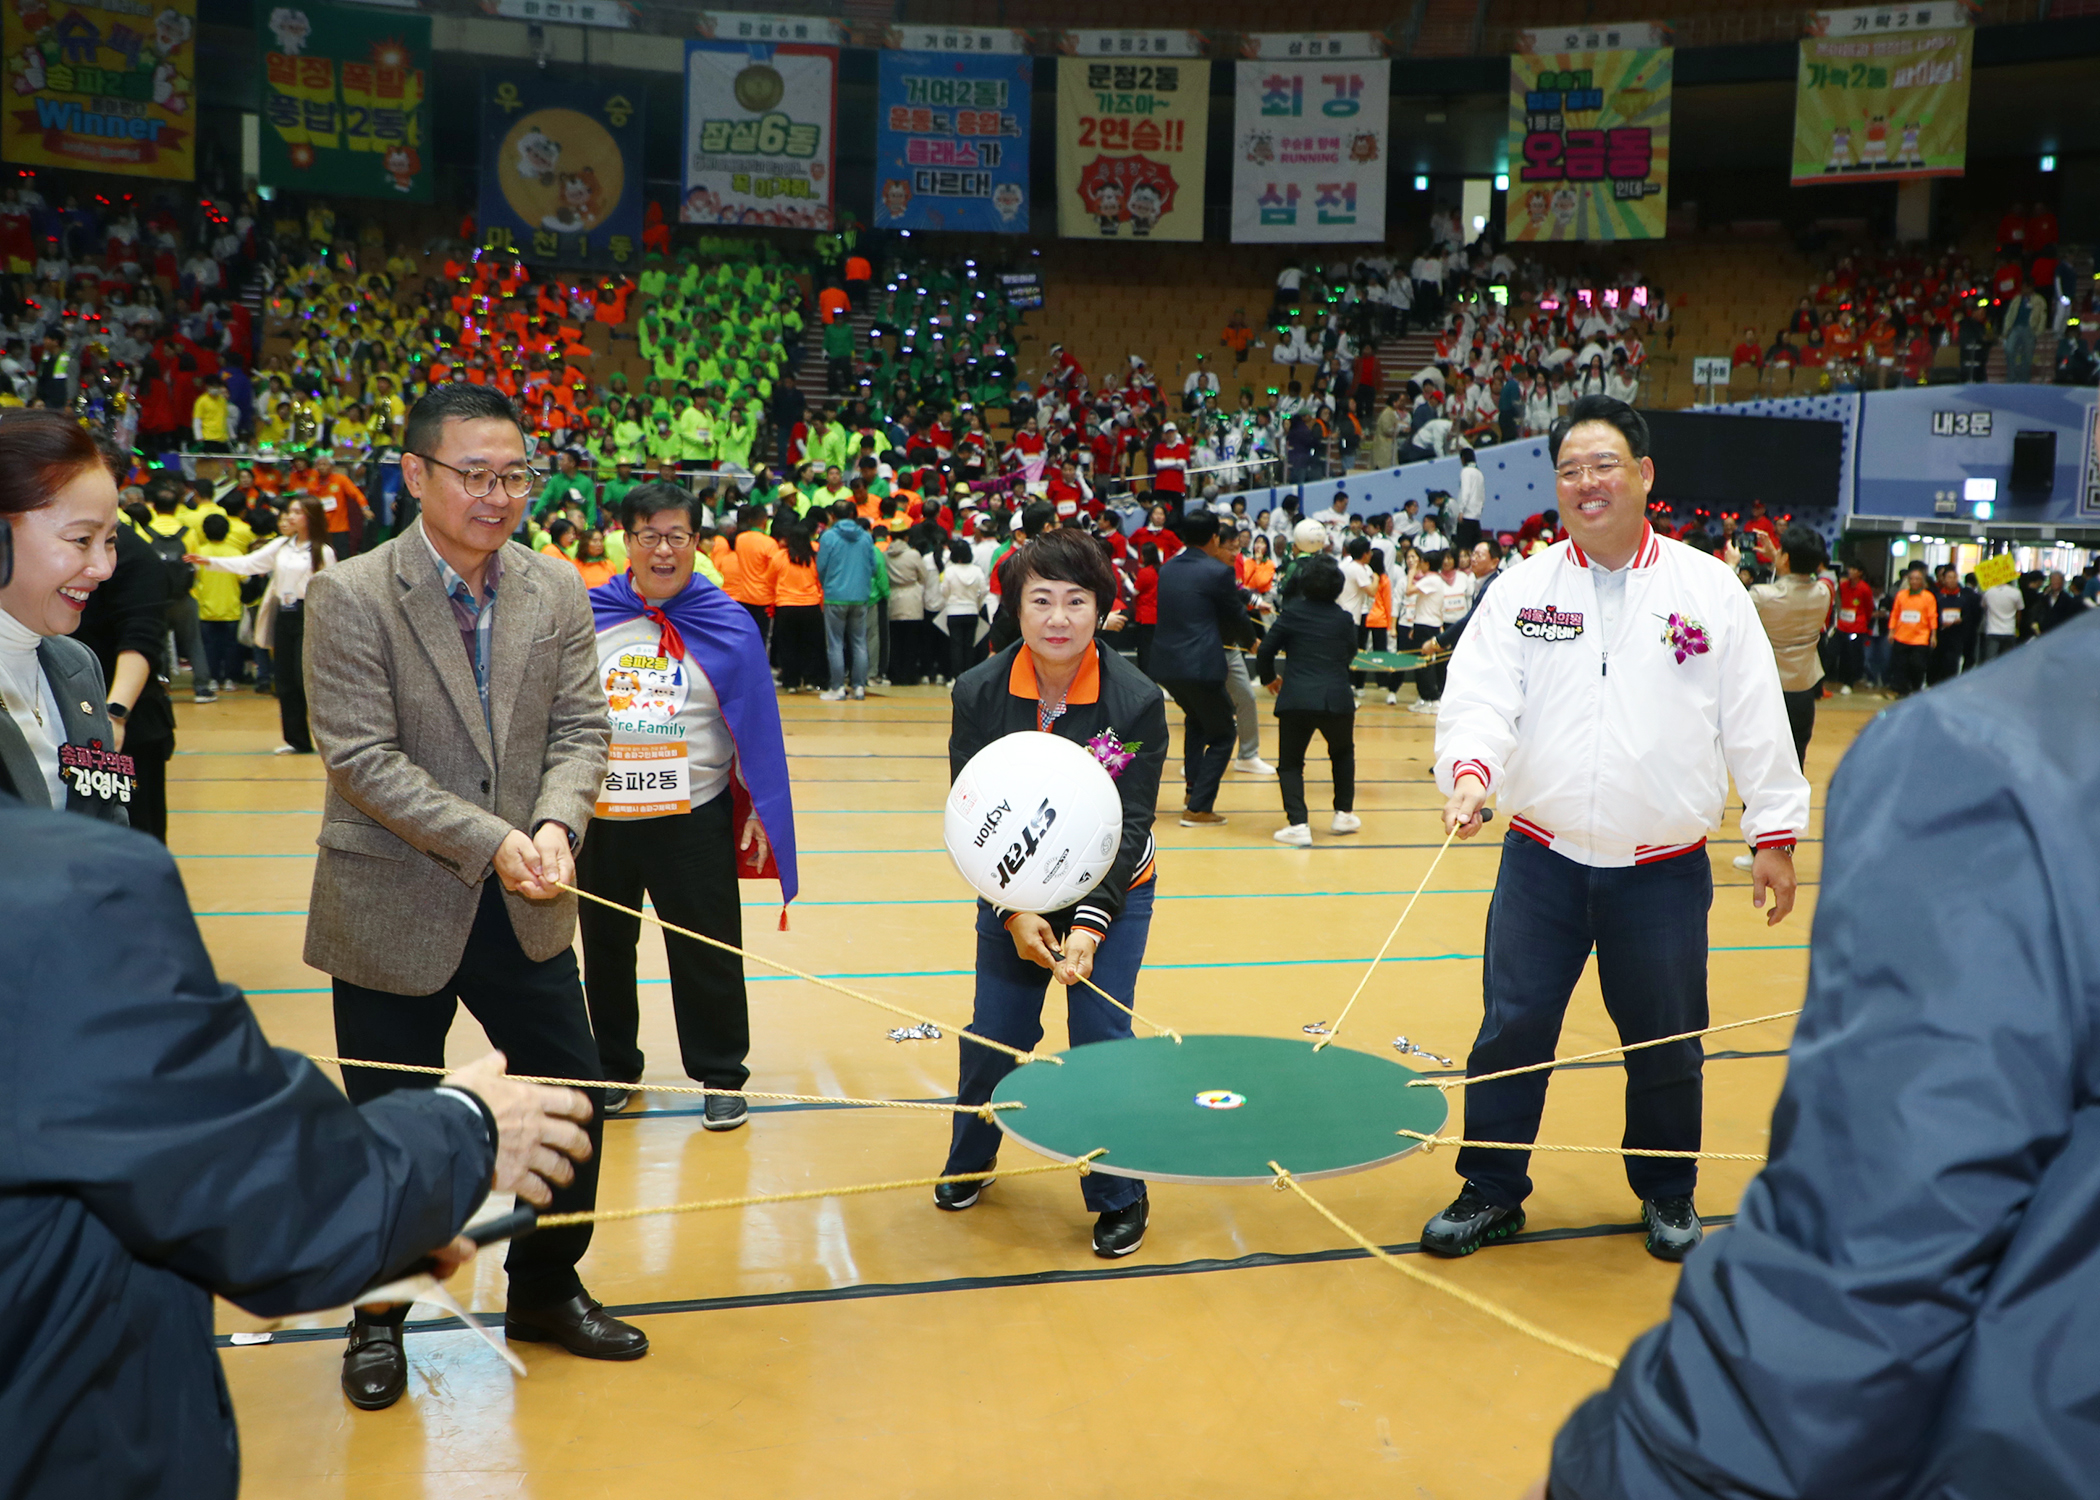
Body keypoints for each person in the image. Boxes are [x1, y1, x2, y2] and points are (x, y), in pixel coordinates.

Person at [1534, 613, 2100, 1500]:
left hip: (2034, 1447)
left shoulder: (2000, 759)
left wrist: (1622, 1477)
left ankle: (1665, 1189)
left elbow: (1877, 1248)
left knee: (1665, 1044)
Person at [0, 797, 598, 1500]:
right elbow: (272, 1198)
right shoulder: (63, 888)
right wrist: (469, 1128)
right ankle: (378, 1323)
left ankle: (543, 1288)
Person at [303, 384, 642, 1411]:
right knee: (396, 1125)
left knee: (571, 1104)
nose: (499, 497)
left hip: (528, 900)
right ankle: (379, 1318)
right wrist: (497, 838)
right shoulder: (352, 595)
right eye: (476, 475)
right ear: (416, 475)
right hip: (393, 905)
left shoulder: (556, 592)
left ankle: (545, 1288)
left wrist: (555, 825)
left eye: (515, 476)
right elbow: (363, 757)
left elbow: (583, 729)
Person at [1428, 395, 1809, 1264]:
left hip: (1663, 871)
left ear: (1643, 476)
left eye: (1604, 465)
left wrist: (1775, 834)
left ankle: (1668, 1191)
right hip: (1542, 861)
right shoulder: (1524, 588)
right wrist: (1472, 771)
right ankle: (1490, 1188)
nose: (1586, 483)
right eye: (1570, 470)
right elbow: (1482, 696)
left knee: (1667, 1042)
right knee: (1511, 1031)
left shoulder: (1707, 589)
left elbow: (1756, 719)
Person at [937, 528, 1169, 1256]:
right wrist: (1015, 910)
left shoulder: (1134, 701)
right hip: (1013, 885)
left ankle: (1117, 1190)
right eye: (1042, 600)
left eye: (1077, 600)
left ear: (1101, 611)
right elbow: (971, 812)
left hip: (1114, 889)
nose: (1059, 617)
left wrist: (1091, 923)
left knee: (1100, 1043)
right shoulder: (978, 690)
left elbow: (1128, 824)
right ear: (1017, 607)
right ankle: (970, 1160)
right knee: (996, 1034)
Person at [578, 481, 798, 1120]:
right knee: (606, 950)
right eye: (649, 536)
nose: (663, 550)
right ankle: (613, 1067)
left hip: (691, 816)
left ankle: (721, 1074)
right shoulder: (592, 614)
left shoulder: (727, 620)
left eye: (677, 536)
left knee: (707, 950)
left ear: (697, 543)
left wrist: (757, 804)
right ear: (627, 541)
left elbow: (756, 724)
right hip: (603, 815)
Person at [0, 410, 131, 822]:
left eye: (109, 541)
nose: (103, 567)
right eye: (81, 539)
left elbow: (107, 822)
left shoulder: (77, 665)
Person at [190, 495, 333, 755]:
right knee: (286, 680)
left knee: (307, 682)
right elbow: (250, 563)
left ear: (310, 517)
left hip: (310, 616)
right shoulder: (281, 545)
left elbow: (331, 591)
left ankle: (329, 741)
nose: (290, 517)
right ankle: (297, 741)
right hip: (284, 614)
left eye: (297, 512)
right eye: (289, 511)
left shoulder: (322, 551)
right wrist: (210, 562)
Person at [1149, 510, 1258, 828]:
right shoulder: (1217, 571)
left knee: (1197, 720)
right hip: (1199, 664)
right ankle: (1198, 808)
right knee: (1225, 734)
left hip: (1165, 665)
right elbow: (1236, 614)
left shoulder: (1168, 568)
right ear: (1214, 538)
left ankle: (1191, 790)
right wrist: (1252, 643)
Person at [1254, 553, 1359, 847]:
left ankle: (1298, 824)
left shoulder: (1291, 613)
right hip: (1337, 698)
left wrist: (1268, 678)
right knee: (1342, 754)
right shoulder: (1344, 619)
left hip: (1296, 698)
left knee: (1290, 764)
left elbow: (1265, 651)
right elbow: (1351, 652)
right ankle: (1343, 814)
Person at [1740, 525, 1829, 870]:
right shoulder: (1823, 593)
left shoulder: (1762, 595)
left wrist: (1737, 567)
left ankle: (1758, 850)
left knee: (1759, 770)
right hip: (1804, 691)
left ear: (1786, 557)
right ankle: (1783, 847)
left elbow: (1735, 606)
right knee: (1794, 770)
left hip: (1768, 693)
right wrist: (1779, 558)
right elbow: (1799, 584)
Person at [816, 498, 876, 701]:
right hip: (860, 596)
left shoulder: (828, 537)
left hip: (835, 595)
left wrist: (828, 585)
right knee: (860, 643)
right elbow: (873, 567)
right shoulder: (867, 538)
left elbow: (821, 567)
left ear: (832, 516)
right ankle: (859, 687)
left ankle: (837, 687)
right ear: (853, 515)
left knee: (835, 643)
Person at [940, 535, 988, 682]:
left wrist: (951, 601)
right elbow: (984, 591)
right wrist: (977, 604)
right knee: (969, 645)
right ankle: (968, 676)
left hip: (954, 612)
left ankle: (955, 676)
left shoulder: (949, 571)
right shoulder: (977, 570)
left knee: (955, 645)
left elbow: (943, 591)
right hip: (972, 611)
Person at [1887, 561, 1937, 696]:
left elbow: (1932, 616)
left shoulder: (1928, 597)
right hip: (1901, 636)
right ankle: (1902, 691)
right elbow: (1895, 614)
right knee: (1900, 666)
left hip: (1920, 638)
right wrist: (1891, 631)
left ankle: (1916, 689)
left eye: (1917, 579)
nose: (1914, 581)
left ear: (1922, 580)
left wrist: (1933, 635)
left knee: (1917, 665)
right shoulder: (1901, 595)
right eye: (1912, 579)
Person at [1980, 561, 2022, 663]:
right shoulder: (2016, 593)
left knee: (1990, 661)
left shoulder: (1988, 592)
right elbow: (2019, 613)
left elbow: (1984, 607)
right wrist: (2017, 627)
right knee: (2007, 662)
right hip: (2009, 630)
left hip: (1992, 631)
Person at [1455, 447, 1486, 554]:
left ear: (1463, 459)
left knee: (1463, 549)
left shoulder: (1466, 471)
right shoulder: (1479, 473)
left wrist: (1460, 510)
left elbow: (1465, 491)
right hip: (1476, 517)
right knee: (1474, 549)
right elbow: (1482, 495)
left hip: (1467, 515)